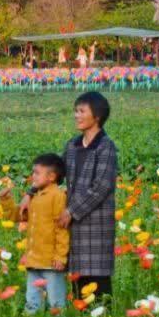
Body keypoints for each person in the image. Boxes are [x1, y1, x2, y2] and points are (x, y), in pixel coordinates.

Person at [20, 92, 117, 305]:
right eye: (76, 111)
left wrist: (71, 211)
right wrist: (30, 193)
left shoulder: (106, 147)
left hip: (95, 223)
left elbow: (101, 186)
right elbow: (53, 175)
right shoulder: (72, 146)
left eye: (82, 111)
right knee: (77, 274)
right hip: (71, 221)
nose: (76, 115)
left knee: (97, 276)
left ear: (97, 116)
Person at [0, 154, 70, 314]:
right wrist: (6, 201)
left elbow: (62, 229)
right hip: (33, 259)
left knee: (56, 301)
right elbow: (17, 216)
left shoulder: (57, 196)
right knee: (32, 299)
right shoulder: (35, 197)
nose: (33, 176)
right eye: (33, 173)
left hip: (51, 261)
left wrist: (60, 256)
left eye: (37, 173)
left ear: (52, 176)